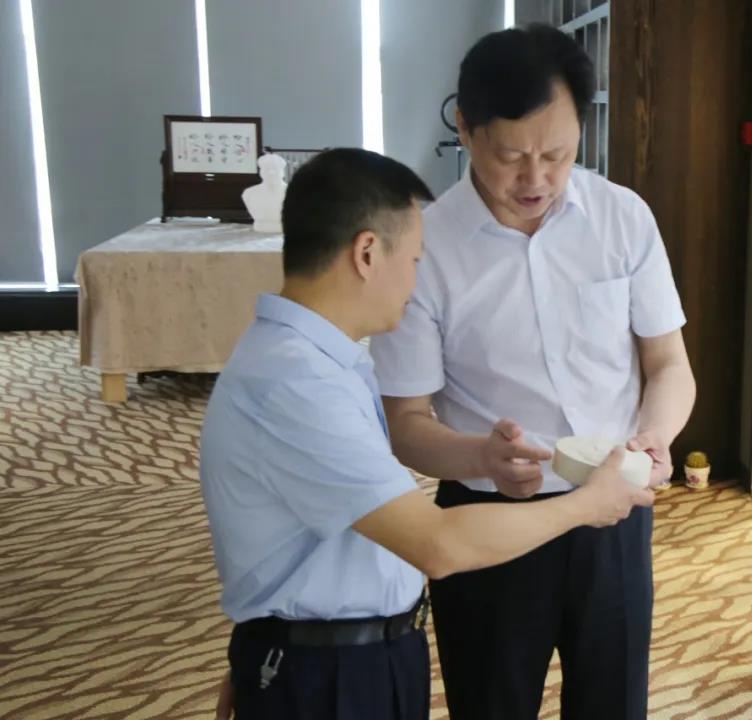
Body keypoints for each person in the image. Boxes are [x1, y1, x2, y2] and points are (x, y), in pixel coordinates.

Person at [200, 148, 654, 720]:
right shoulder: (297, 384)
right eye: (415, 259)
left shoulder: (316, 360)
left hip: (341, 653)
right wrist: (587, 505)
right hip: (328, 670)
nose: (416, 281)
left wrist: (481, 455)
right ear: (367, 253)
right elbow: (438, 545)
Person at [369, 24, 697, 720]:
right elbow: (405, 423)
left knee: (613, 704)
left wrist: (655, 435)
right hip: (489, 523)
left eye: (557, 154)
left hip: (613, 512)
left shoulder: (622, 218)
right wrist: (479, 456)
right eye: (512, 156)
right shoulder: (426, 247)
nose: (536, 180)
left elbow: (668, 363)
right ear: (466, 129)